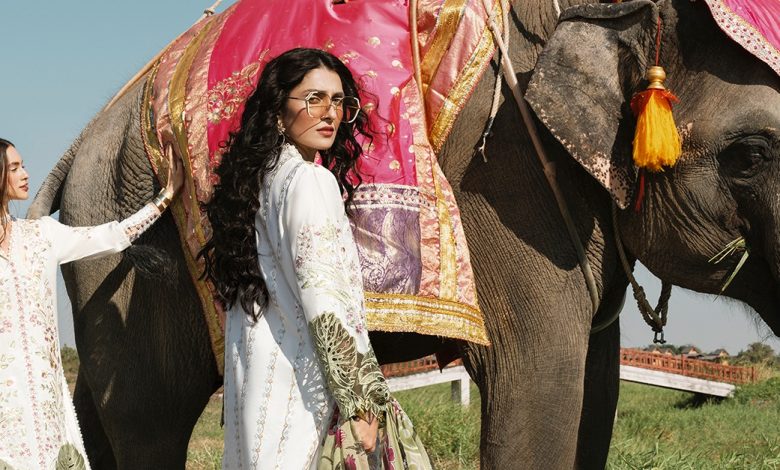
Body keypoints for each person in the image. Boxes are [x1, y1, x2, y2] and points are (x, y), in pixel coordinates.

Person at [202, 48, 431, 469]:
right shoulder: (309, 180)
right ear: (278, 110)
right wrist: (359, 401)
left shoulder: (258, 183)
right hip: (305, 397)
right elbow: (324, 297)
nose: (330, 113)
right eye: (314, 99)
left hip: (258, 390)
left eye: (339, 101)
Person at [0, 138, 184, 470]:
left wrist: (165, 198)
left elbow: (111, 237)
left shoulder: (42, 235)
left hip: (45, 400)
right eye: (14, 168)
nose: (25, 174)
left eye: (22, 165)